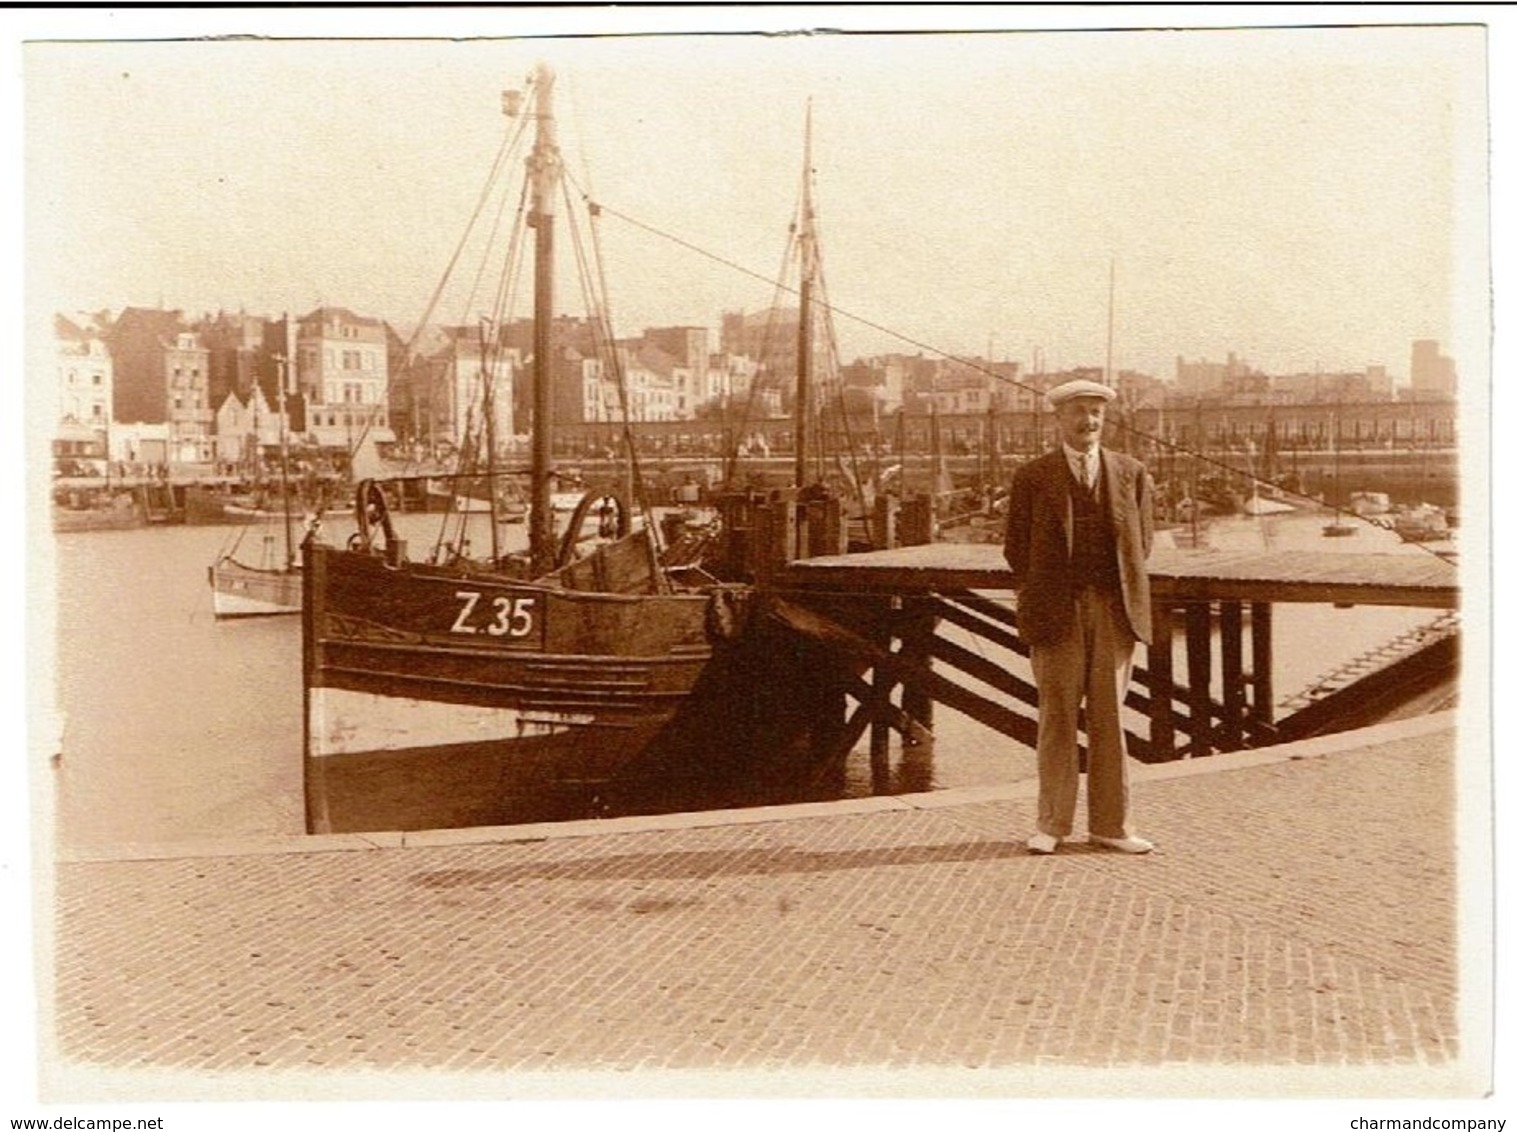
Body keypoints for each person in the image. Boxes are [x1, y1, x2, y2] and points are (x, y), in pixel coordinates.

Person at [1003, 378, 1155, 855]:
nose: (1089, 421)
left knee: (1110, 719)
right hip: (1056, 611)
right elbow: (1015, 549)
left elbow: (1141, 545)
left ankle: (1112, 826)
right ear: (1059, 418)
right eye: (1079, 412)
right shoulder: (1033, 477)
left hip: (1112, 609)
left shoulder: (1131, 473)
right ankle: (1052, 825)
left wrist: (1110, 592)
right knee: (1058, 717)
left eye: (1096, 413)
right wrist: (1051, 589)